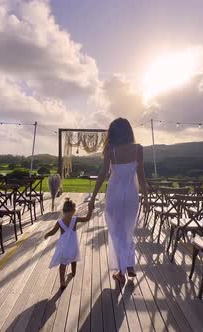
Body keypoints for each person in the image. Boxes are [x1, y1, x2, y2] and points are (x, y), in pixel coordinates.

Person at [89, 118, 148, 284]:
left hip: (114, 195)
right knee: (128, 230)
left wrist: (93, 197)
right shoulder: (138, 149)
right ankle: (129, 265)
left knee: (116, 231)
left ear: (113, 133)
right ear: (129, 131)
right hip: (131, 195)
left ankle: (122, 272)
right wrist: (146, 198)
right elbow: (142, 176)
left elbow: (102, 174)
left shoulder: (111, 150)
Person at [45, 198, 93, 289]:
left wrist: (47, 234)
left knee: (63, 264)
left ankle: (62, 281)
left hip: (64, 247)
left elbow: (53, 232)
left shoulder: (59, 222)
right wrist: (90, 210)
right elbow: (87, 218)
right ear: (73, 210)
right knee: (73, 258)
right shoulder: (75, 219)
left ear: (63, 211)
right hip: (73, 246)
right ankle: (73, 272)